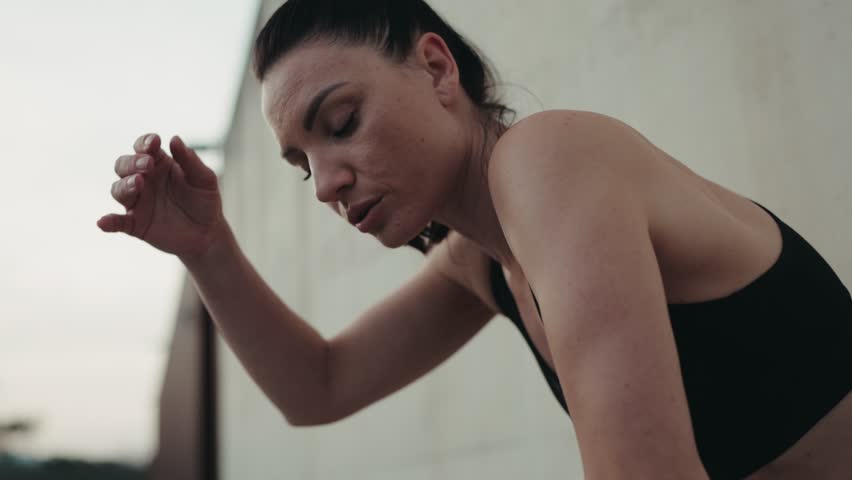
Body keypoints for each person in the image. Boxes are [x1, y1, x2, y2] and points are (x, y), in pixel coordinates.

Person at [97, 1, 852, 478]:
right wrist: (207, 247)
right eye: (303, 167)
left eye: (342, 124)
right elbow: (318, 387)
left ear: (435, 67)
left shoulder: (552, 156)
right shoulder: (479, 260)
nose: (326, 184)